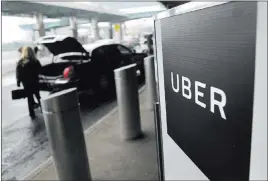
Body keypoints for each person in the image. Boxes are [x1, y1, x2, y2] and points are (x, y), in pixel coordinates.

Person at [16, 46, 42, 119]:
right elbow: (40, 70)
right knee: (38, 96)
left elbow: (18, 72)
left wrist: (18, 81)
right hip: (35, 81)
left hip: (26, 82)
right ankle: (43, 109)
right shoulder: (35, 61)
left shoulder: (21, 62)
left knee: (29, 98)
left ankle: (31, 113)